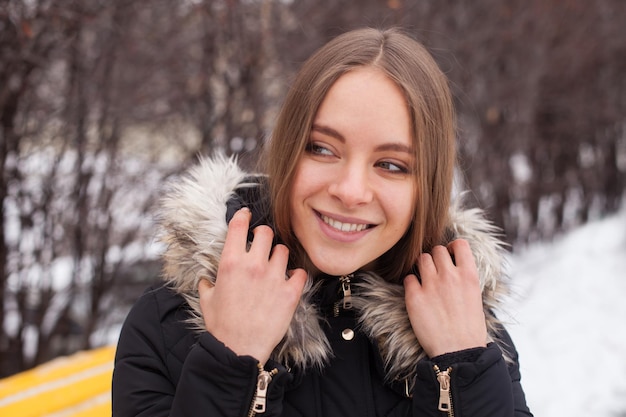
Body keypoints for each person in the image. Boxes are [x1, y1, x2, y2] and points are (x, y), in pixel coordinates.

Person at [112, 27, 533, 417]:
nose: (351, 191)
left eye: (390, 164)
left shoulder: (471, 329)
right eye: (322, 149)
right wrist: (230, 363)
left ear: (428, 187)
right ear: (288, 150)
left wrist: (462, 369)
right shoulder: (169, 323)